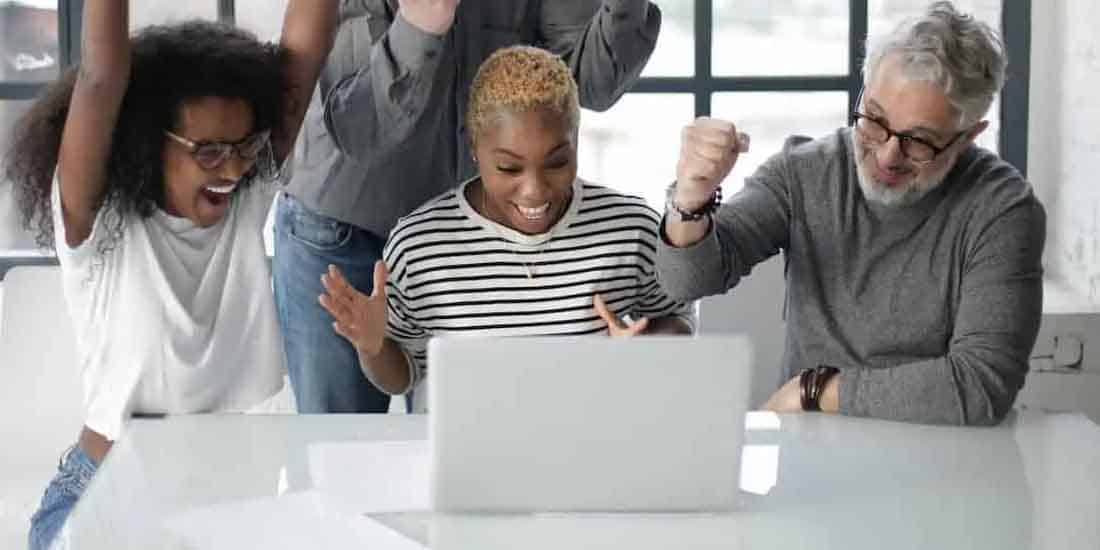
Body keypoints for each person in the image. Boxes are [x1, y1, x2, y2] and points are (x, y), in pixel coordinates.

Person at [3, 1, 340, 547]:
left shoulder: (248, 194)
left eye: (244, 146)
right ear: (146, 142)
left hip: (229, 503)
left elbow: (308, 45)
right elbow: (102, 75)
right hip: (107, 499)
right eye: (207, 152)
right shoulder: (101, 224)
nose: (232, 169)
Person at [656, 1, 1045, 426]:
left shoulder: (1002, 209)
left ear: (969, 135)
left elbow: (980, 386)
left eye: (919, 140)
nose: (887, 155)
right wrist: (691, 197)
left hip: (941, 453)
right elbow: (687, 279)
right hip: (813, 458)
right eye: (874, 120)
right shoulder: (805, 170)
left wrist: (814, 389)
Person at [275, 0, 663, 414]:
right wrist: (422, 23)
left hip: (468, 238)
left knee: (466, 440)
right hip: (344, 231)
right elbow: (361, 127)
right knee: (337, 454)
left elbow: (587, 82)